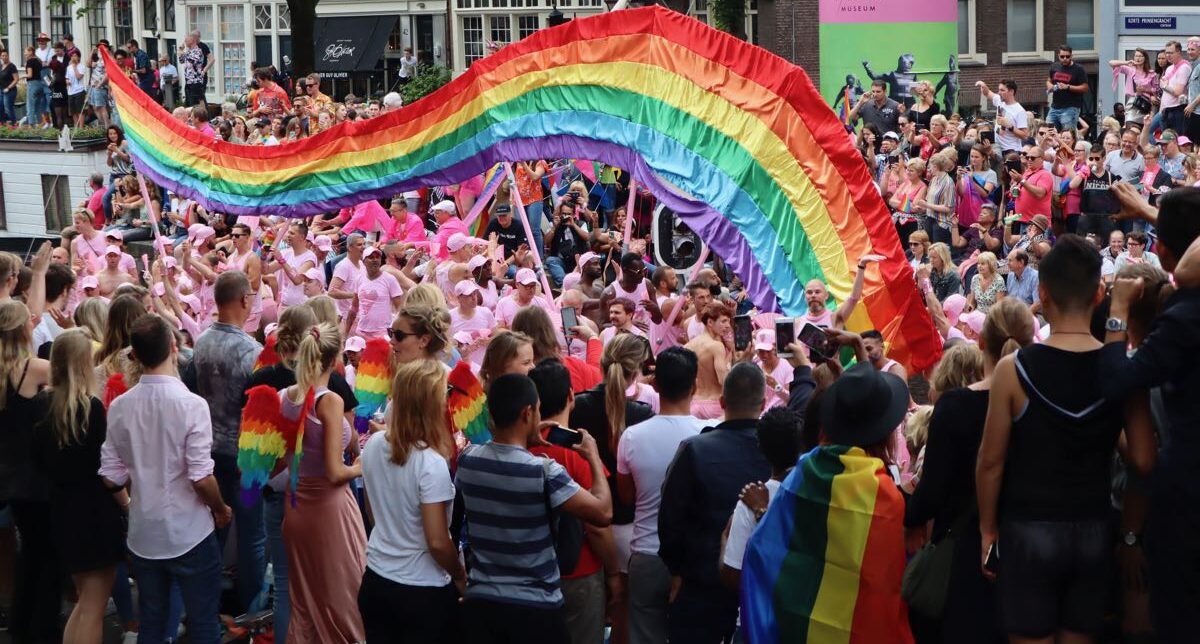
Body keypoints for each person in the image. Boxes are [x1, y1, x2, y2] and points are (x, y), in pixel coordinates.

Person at [977, 236, 1155, 642]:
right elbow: (1144, 460)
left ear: (1042, 293)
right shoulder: (1123, 371)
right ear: (1099, 294)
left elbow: (990, 461)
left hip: (1028, 530)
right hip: (1093, 530)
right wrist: (1130, 535)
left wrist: (987, 530)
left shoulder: (1013, 369)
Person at [741, 358, 913, 643]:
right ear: (885, 433)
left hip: (799, 628)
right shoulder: (885, 495)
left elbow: (764, 549)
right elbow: (886, 586)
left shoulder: (804, 471)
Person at [1098, 186, 1200, 641]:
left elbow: (1118, 381)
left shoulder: (1184, 318)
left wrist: (1117, 311)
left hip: (1185, 500)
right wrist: (1153, 214)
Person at [906, 299, 1033, 642]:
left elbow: (932, 491)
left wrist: (909, 513)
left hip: (965, 553)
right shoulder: (1039, 402)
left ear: (980, 342)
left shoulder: (955, 405)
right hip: (1029, 549)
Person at [99, 314, 230, 644]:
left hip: (145, 534)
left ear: (136, 355)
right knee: (203, 623)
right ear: (173, 347)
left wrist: (137, 492)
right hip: (190, 532)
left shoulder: (121, 407)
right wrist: (220, 508)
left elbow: (111, 477)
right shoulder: (192, 405)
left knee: (153, 624)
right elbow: (201, 478)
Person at [455, 373, 613, 644]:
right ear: (528, 413)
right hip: (536, 608)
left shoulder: (468, 461)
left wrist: (525, 438)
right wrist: (594, 458)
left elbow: (504, 461)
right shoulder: (544, 472)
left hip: (483, 605)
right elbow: (603, 513)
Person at [659, 362, 770, 642]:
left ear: (722, 402)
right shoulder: (779, 452)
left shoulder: (695, 449)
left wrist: (675, 571)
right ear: (763, 404)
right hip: (760, 586)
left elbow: (670, 518)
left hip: (701, 585)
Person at [358, 359, 465, 642]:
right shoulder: (430, 462)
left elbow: (372, 512)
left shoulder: (374, 445)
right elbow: (437, 541)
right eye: (444, 395)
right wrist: (460, 575)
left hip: (376, 578)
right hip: (420, 591)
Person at [29, 330, 121, 644]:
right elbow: (106, 467)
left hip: (60, 507)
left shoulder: (41, 405)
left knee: (84, 604)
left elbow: (36, 461)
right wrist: (126, 504)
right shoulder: (91, 408)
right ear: (84, 363)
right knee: (93, 607)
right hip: (95, 511)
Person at [610, 347, 703, 644]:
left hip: (647, 554)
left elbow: (627, 497)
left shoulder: (632, 437)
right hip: (692, 556)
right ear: (694, 386)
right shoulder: (707, 433)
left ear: (656, 385)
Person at [528, 359, 621, 644]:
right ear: (571, 396)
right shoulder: (580, 454)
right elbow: (598, 525)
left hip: (531, 573)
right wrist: (613, 574)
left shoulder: (521, 447)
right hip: (579, 572)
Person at [189, 271, 264, 613]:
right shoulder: (252, 351)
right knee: (252, 535)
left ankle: (206, 604)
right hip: (244, 458)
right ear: (244, 300)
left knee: (213, 528)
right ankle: (252, 611)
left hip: (209, 451)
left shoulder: (201, 342)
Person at [0, 300, 58, 644]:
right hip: (37, 477)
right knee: (46, 553)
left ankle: (21, 623)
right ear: (24, 329)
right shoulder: (35, 369)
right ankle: (42, 628)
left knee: (29, 551)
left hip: (8, 477)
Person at [719, 406, 807, 588]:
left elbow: (732, 575)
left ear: (760, 447)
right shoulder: (816, 492)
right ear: (804, 445)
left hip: (763, 604)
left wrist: (724, 538)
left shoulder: (749, 503)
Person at [683, 302, 735, 420]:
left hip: (693, 404)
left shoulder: (688, 346)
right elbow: (723, 381)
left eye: (728, 321)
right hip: (715, 405)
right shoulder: (716, 346)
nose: (728, 326)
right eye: (723, 321)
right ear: (710, 322)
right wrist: (731, 358)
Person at [977, 79, 1029, 154]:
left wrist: (1010, 127)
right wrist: (983, 86)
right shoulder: (999, 100)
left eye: (1002, 90)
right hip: (997, 147)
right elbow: (987, 92)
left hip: (1011, 151)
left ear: (1011, 91)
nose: (999, 92)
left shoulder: (1019, 111)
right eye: (999, 90)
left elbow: (1025, 136)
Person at [1046, 45, 1089, 132]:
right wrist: (1050, 86)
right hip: (1055, 107)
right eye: (1062, 56)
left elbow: (1085, 87)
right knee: (1048, 130)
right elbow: (1049, 80)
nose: (1065, 59)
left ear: (1071, 56)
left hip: (1070, 107)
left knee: (1067, 134)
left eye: (1067, 56)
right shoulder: (1054, 66)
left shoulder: (1078, 69)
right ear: (1058, 56)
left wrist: (1068, 87)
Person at [1160, 41, 1192, 135]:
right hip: (1166, 109)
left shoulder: (1184, 67)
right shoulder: (1169, 68)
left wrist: (1165, 86)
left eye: (1171, 53)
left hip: (1177, 109)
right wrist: (1162, 107)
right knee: (1164, 139)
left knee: (1177, 138)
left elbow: (1178, 92)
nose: (1168, 55)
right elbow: (1165, 92)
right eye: (1167, 53)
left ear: (1179, 52)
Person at [182, 30, 213, 108]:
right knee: (194, 98)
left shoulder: (202, 47)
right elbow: (183, 60)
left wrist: (204, 70)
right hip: (190, 78)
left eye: (198, 36)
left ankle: (203, 112)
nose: (199, 38)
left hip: (198, 76)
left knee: (199, 97)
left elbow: (212, 59)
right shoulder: (190, 49)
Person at [1004, 249, 1040, 314]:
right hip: (1013, 314)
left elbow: (1037, 304)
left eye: (1010, 260)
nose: (1008, 263)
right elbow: (1008, 299)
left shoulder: (1035, 276)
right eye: (1008, 260)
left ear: (1021, 262)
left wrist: (1023, 317)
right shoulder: (1010, 275)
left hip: (1031, 314)